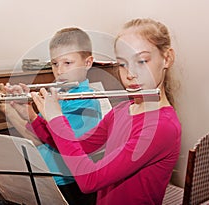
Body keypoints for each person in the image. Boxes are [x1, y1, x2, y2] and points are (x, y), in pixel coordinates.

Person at [30, 18, 181, 204]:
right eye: (122, 64)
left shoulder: (161, 126)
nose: (130, 73)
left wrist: (56, 119)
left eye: (141, 61)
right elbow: (78, 145)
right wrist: (37, 115)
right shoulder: (122, 110)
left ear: (167, 58)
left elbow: (89, 181)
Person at [5, 27, 102, 205]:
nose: (59, 71)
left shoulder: (85, 102)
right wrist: (22, 107)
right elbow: (41, 129)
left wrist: (21, 112)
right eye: (55, 64)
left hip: (71, 181)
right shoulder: (60, 95)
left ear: (88, 63)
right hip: (50, 174)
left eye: (67, 63)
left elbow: (48, 138)